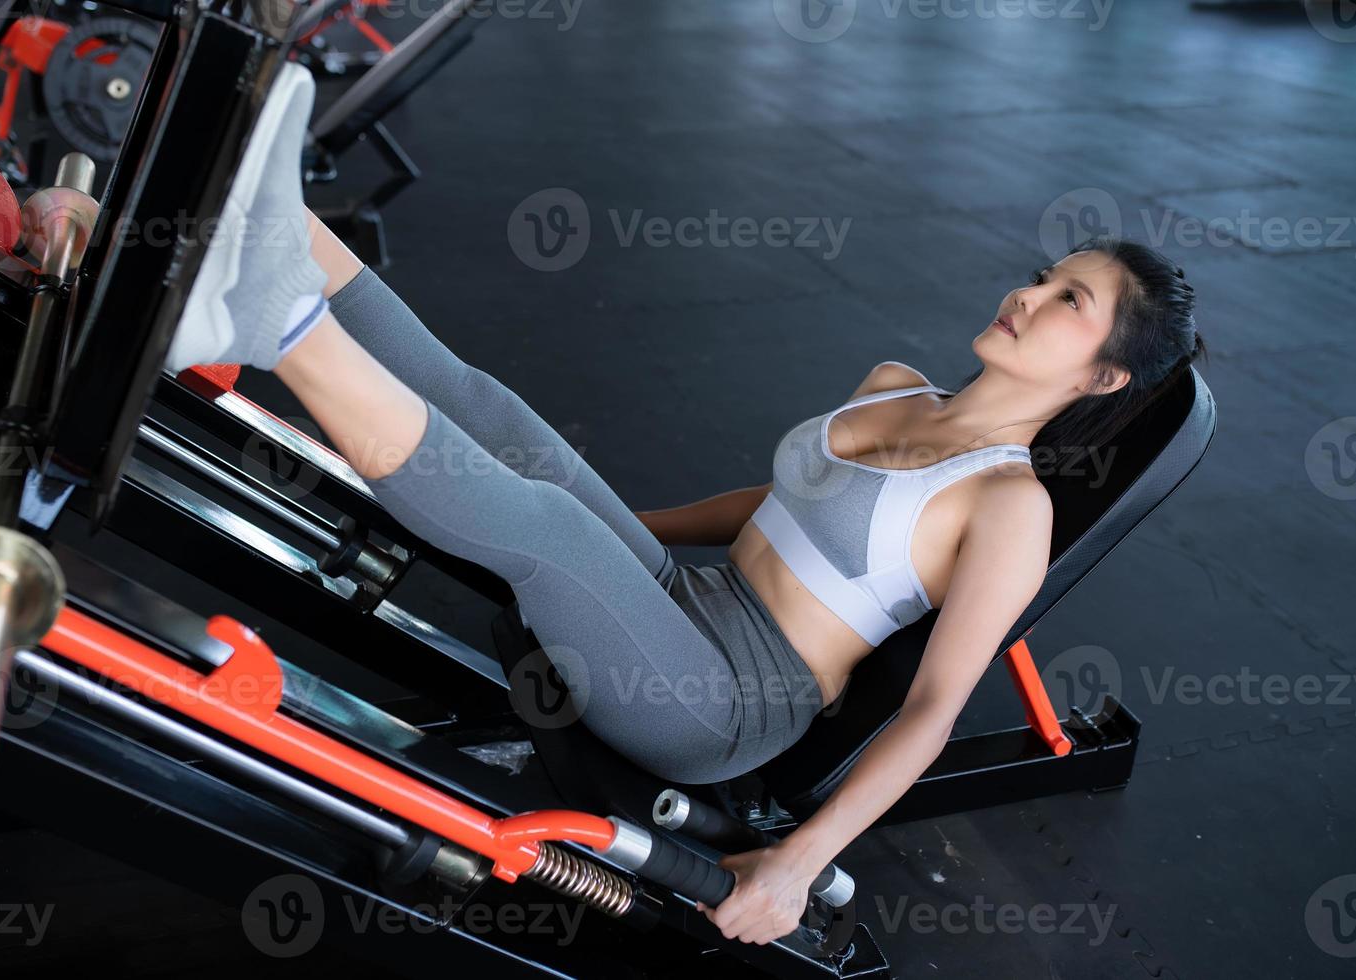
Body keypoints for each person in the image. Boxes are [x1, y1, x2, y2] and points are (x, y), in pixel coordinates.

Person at [163, 62, 1206, 947]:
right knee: (509, 423)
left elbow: (932, 712)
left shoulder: (1008, 504)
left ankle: (275, 322)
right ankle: (275, 215)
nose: (1025, 296)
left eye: (1069, 301)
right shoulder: (896, 382)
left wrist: (798, 863)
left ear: (1104, 377)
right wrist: (619, 522)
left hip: (725, 702)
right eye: (1042, 275)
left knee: (545, 525)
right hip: (682, 596)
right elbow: (776, 501)